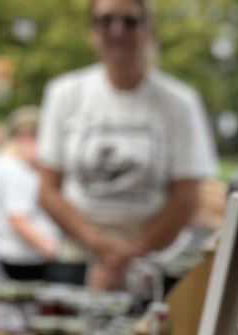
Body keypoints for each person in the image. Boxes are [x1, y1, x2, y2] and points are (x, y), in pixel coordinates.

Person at [36, 0, 216, 291]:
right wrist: (101, 246)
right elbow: (47, 190)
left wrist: (129, 255)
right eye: (106, 21)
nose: (117, 30)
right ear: (92, 30)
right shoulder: (64, 94)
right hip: (76, 259)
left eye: (129, 22)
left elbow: (186, 199)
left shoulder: (180, 104)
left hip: (155, 264)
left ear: (147, 31)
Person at [0, 107, 67, 282]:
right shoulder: (16, 171)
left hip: (7, 251)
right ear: (25, 138)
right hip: (27, 257)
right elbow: (18, 220)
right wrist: (54, 254)